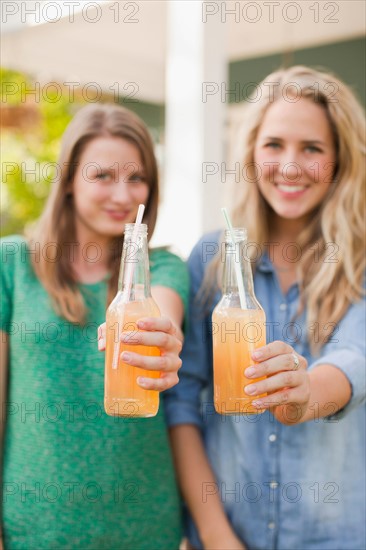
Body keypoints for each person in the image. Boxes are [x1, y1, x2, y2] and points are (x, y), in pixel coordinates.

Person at [165, 66, 366, 550]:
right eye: (274, 144)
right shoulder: (211, 259)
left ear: (339, 160)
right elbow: (181, 403)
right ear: (252, 153)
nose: (290, 166)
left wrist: (304, 395)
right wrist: (216, 537)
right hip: (229, 534)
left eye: (312, 149)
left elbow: (356, 357)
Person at [0, 103, 189, 549]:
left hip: (146, 528)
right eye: (103, 176)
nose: (123, 196)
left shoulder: (163, 267)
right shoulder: (12, 263)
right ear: (67, 182)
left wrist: (159, 341)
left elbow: (162, 316)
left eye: (136, 178)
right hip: (35, 528)